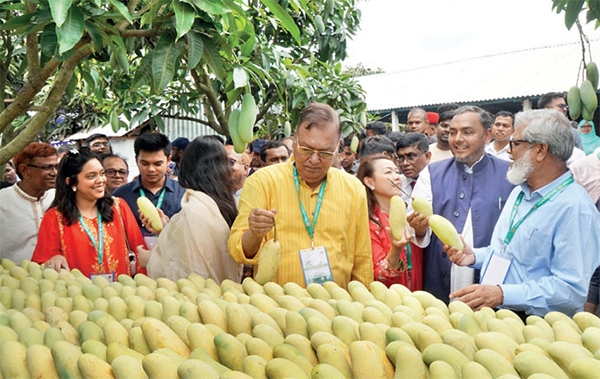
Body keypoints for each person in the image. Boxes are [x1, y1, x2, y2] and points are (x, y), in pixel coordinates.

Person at [447, 109, 600, 317]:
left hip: (537, 325)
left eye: (515, 143)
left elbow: (570, 290)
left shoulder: (575, 209)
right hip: (499, 314)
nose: (509, 151)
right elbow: (509, 253)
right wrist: (474, 256)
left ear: (540, 150)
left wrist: (502, 294)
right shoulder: (519, 192)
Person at [228, 102, 373, 288]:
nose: (313, 159)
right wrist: (254, 233)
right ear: (295, 139)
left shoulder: (353, 188)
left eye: (324, 153)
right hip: (277, 307)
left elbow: (362, 257)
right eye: (306, 149)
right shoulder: (262, 182)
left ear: (338, 147)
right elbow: (237, 250)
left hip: (335, 308)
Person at [408, 106, 515, 303]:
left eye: (467, 132)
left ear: (487, 135)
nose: (458, 139)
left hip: (490, 283)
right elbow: (417, 232)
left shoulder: (510, 175)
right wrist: (420, 228)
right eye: (453, 133)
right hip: (439, 277)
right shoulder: (432, 174)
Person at [140, 137, 243, 284]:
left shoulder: (194, 210)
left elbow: (189, 273)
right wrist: (167, 228)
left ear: (187, 167)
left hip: (202, 300)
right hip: (228, 294)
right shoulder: (230, 203)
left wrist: (151, 259)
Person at [32, 149, 146, 278]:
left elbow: (140, 252)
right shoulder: (55, 217)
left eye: (102, 173)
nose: (101, 180)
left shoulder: (118, 207)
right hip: (78, 295)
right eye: (91, 176)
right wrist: (55, 260)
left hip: (121, 293)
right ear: (71, 182)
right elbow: (43, 264)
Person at [357, 154, 419, 289]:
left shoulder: (409, 213)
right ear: (369, 182)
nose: (397, 177)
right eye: (388, 172)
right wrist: (396, 249)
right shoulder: (368, 223)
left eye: (397, 172)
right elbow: (379, 275)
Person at [113, 132, 186, 236]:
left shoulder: (184, 194)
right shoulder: (120, 196)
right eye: (145, 164)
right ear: (136, 160)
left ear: (168, 161)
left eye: (158, 164)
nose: (151, 169)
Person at [0, 143, 58, 264]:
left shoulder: (60, 198)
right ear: (25, 170)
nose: (54, 173)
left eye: (56, 167)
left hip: (57, 278)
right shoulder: (3, 201)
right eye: (47, 167)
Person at [395, 133, 431, 204]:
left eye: (411, 157)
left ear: (427, 156)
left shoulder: (438, 182)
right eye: (400, 158)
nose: (405, 163)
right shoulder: (396, 183)